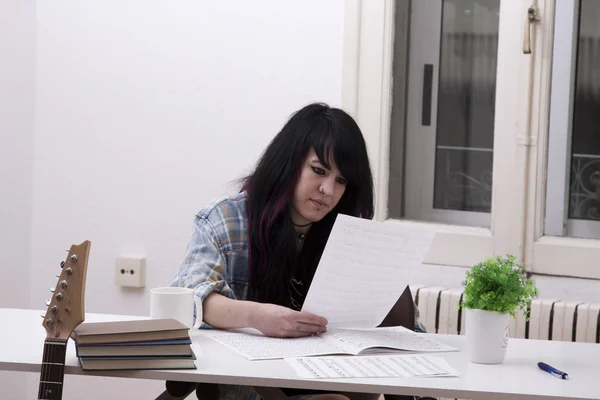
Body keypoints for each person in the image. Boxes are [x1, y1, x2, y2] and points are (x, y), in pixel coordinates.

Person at [171, 103, 424, 400]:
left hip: (330, 376)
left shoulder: (347, 234)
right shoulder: (226, 219)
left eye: (341, 181)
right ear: (288, 162)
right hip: (256, 383)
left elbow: (410, 333)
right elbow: (186, 301)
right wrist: (259, 316)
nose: (328, 190)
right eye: (319, 171)